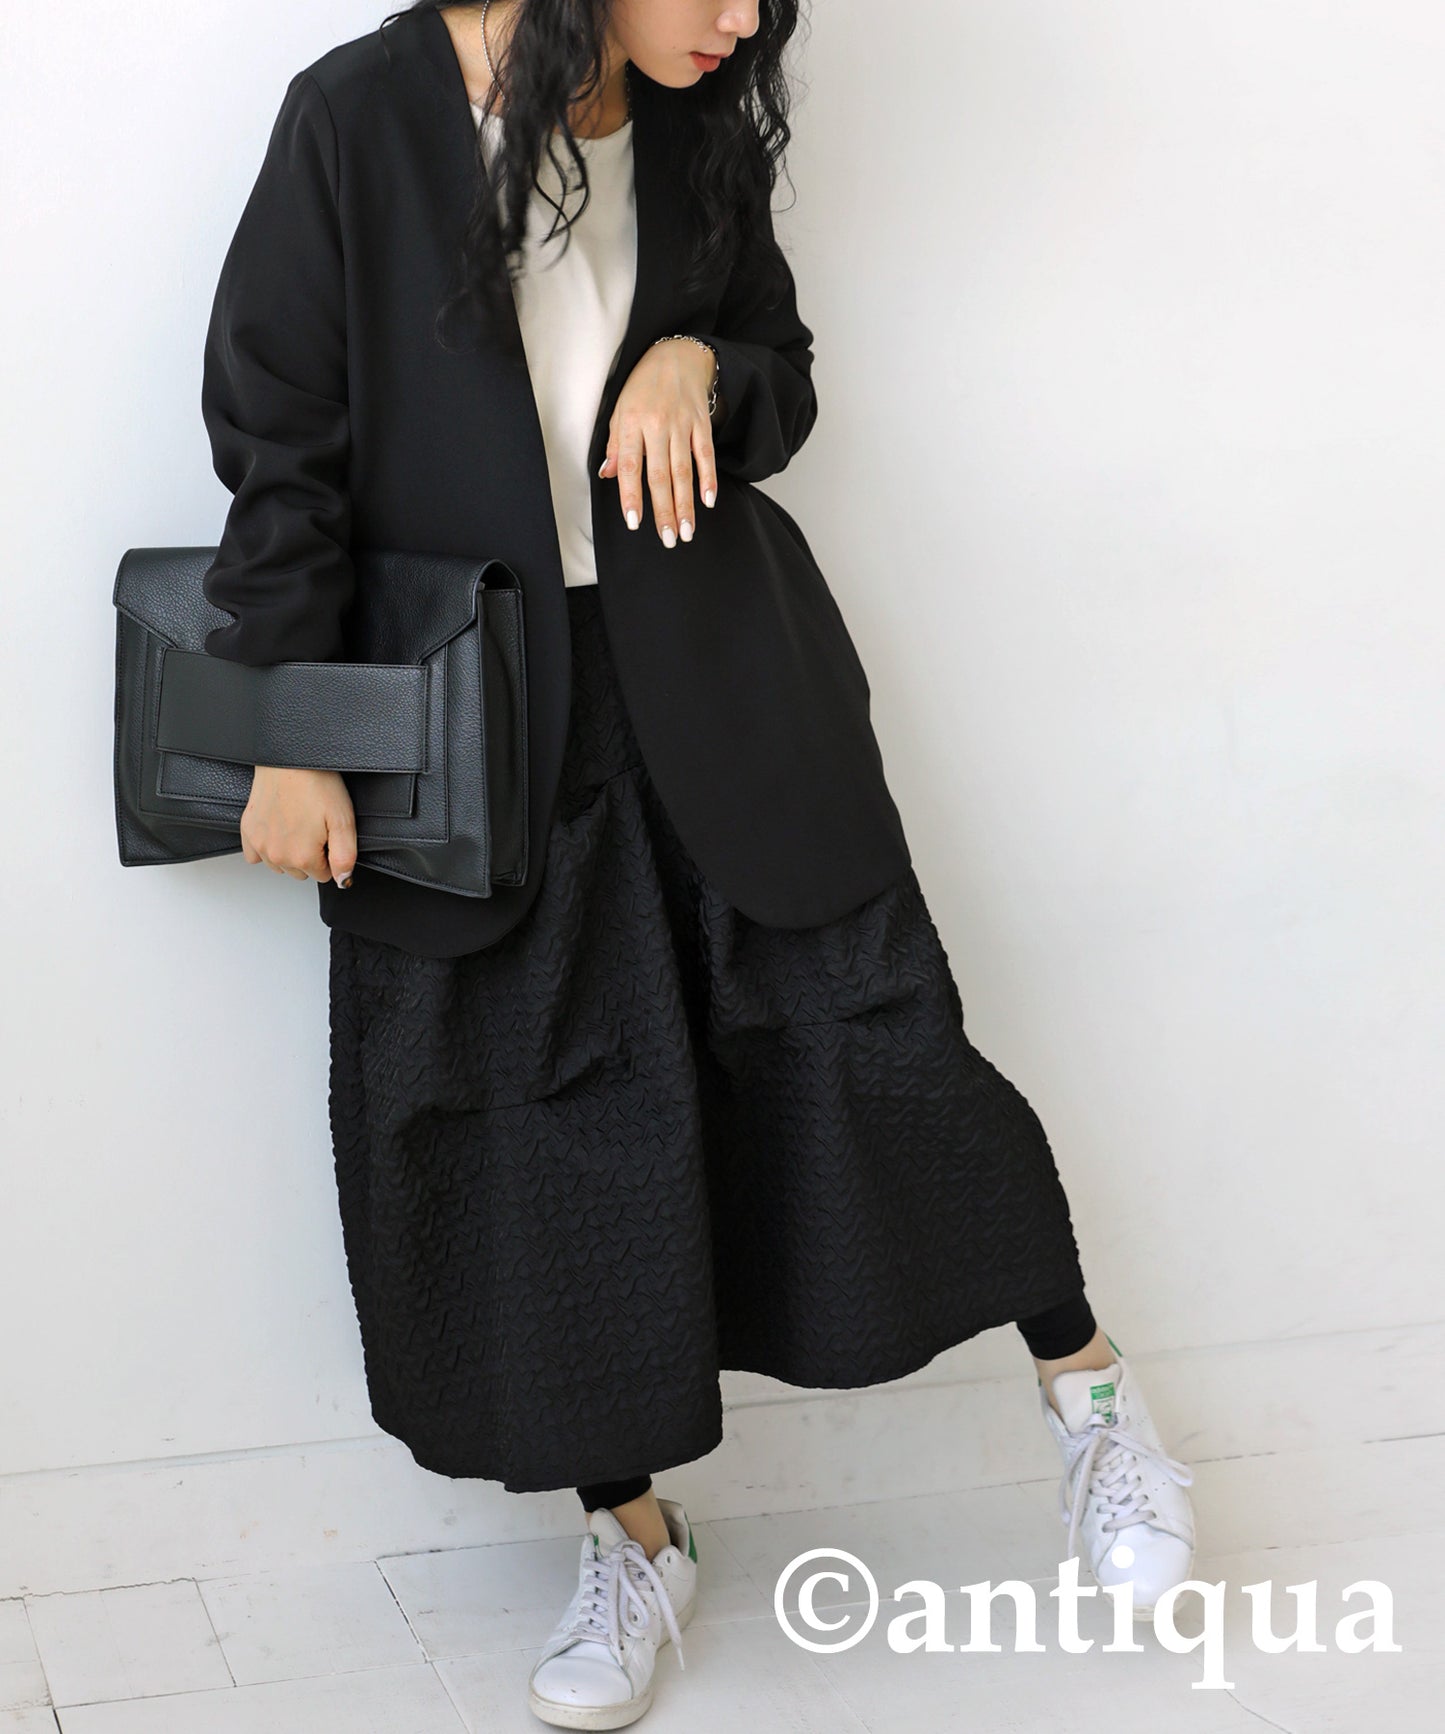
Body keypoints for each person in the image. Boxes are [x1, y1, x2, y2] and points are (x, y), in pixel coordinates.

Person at [200, 2, 1197, 1727]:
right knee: (539, 1117)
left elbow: (778, 370)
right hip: (469, 710)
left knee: (872, 1040)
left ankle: (1092, 1399)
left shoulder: (688, 109)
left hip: (720, 673)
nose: (744, 20)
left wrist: (701, 368)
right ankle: (634, 1535)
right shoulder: (355, 117)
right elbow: (280, 431)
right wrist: (291, 722)